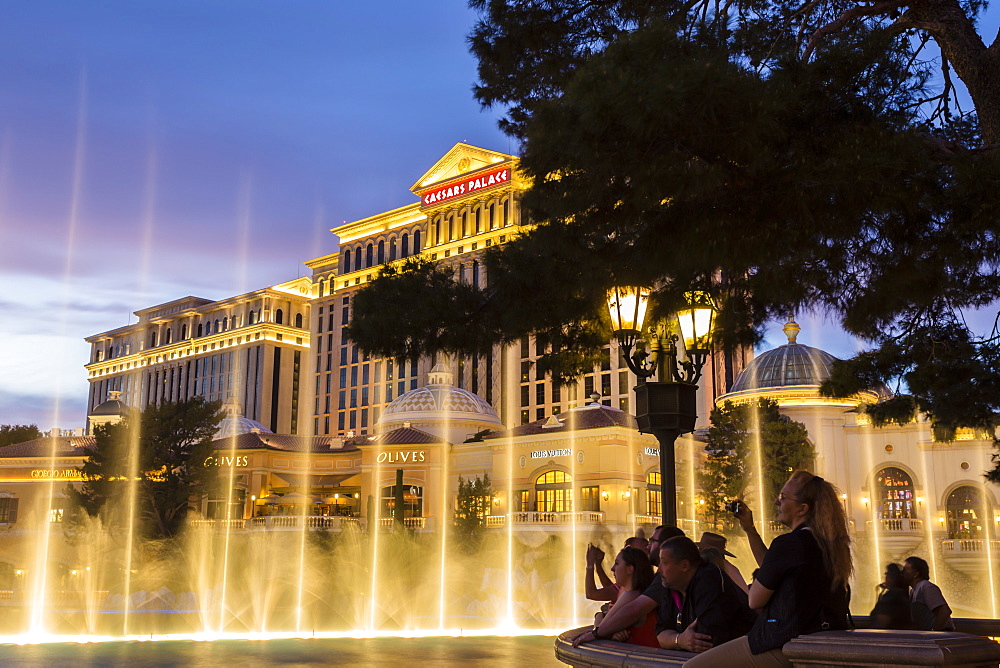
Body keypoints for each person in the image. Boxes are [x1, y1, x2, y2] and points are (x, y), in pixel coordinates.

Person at [685, 471, 852, 667]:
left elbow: (755, 599)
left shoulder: (789, 543)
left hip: (783, 643)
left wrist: (730, 572)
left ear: (802, 509)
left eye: (783, 497)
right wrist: (749, 528)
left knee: (693, 667)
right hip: (816, 640)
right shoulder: (826, 544)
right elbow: (771, 568)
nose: (776, 502)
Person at [575, 536, 753, 654]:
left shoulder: (709, 581)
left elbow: (703, 643)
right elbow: (662, 635)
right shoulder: (669, 584)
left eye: (665, 563)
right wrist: (679, 640)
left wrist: (598, 633)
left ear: (684, 565)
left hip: (745, 652)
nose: (658, 569)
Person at [574, 546, 659, 647]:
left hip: (642, 657)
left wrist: (603, 631)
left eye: (617, 563)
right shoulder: (627, 591)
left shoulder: (632, 595)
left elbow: (601, 627)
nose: (612, 568)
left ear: (630, 569)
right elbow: (602, 621)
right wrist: (604, 627)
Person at [902, 556, 954, 631]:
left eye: (906, 569)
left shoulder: (926, 587)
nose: (903, 573)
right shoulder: (913, 590)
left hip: (940, 635)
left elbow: (944, 611)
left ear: (916, 574)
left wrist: (935, 631)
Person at [869, 563, 910, 629]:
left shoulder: (892, 595)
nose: (885, 577)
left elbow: (882, 620)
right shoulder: (902, 593)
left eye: (887, 574)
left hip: (888, 635)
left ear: (891, 577)